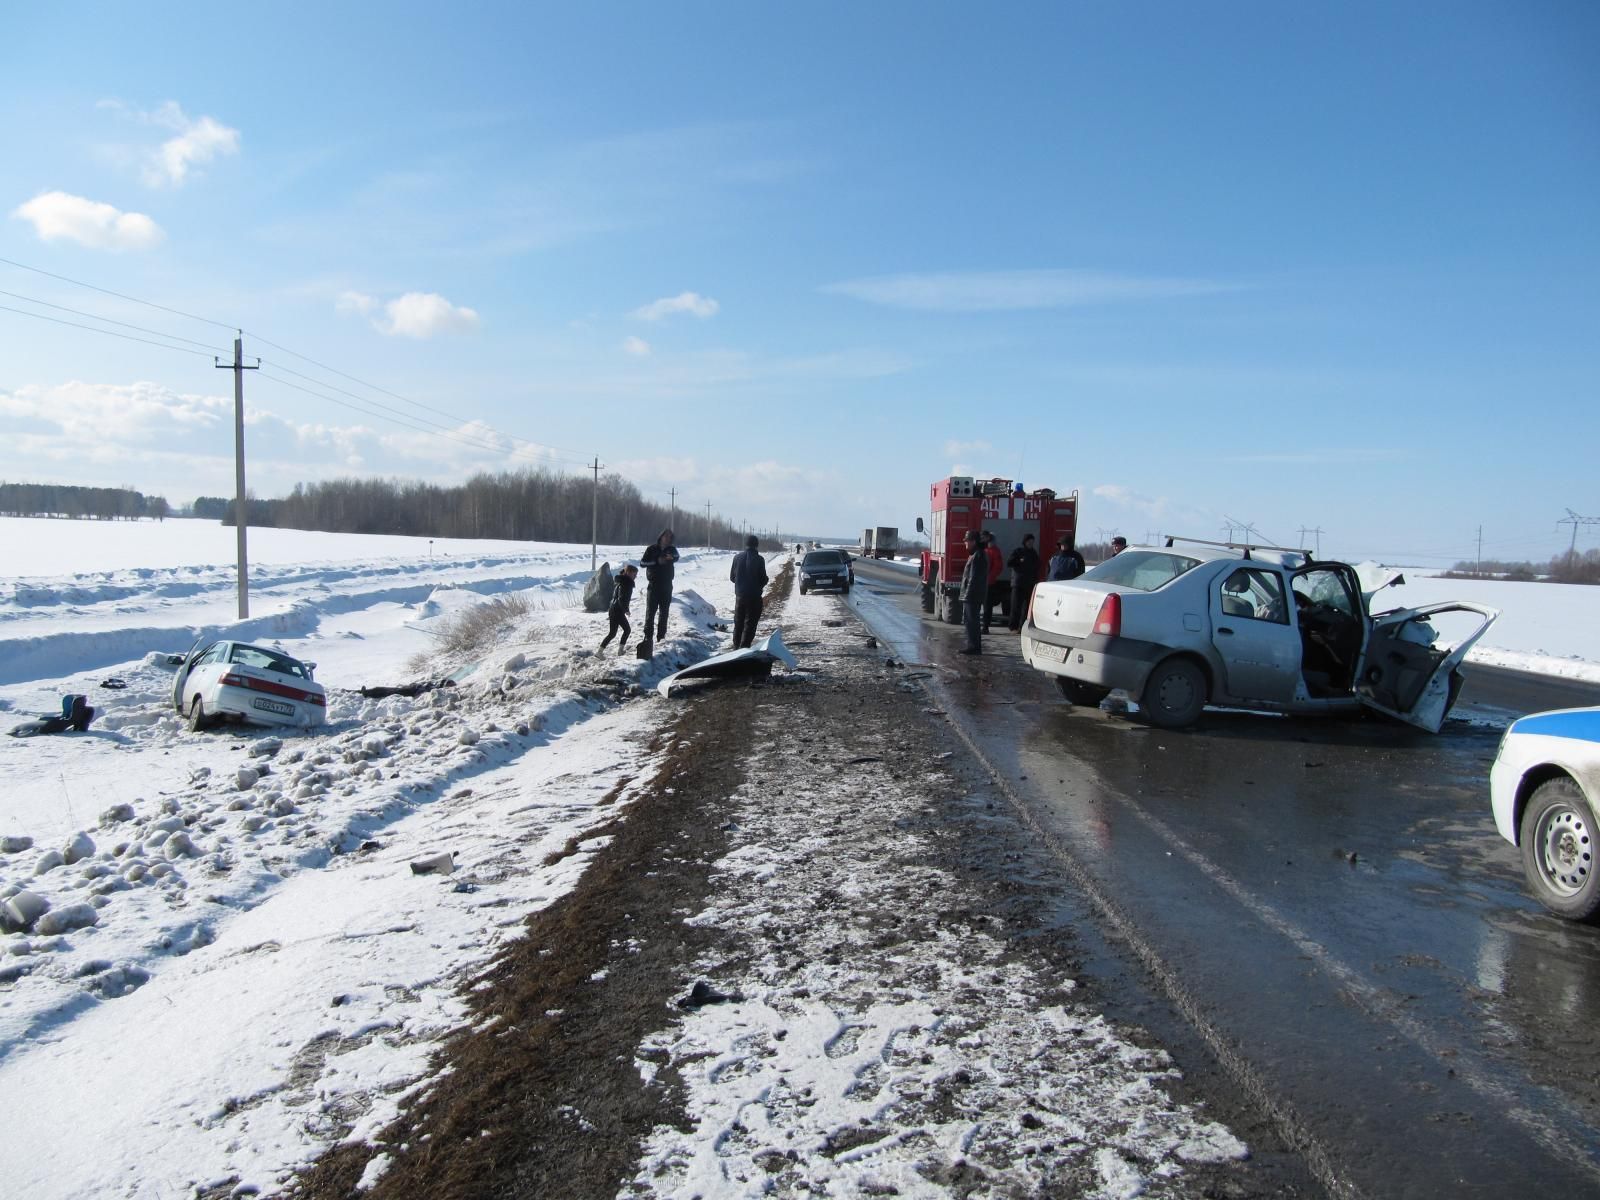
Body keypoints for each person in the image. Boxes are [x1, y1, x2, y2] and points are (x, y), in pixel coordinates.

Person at [640, 529, 680, 643]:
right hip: (654, 584)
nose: (667, 538)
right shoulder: (651, 549)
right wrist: (657, 561)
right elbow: (643, 563)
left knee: (664, 612)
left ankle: (661, 637)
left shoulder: (672, 549)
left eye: (670, 536)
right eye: (665, 536)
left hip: (667, 584)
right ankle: (648, 637)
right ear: (661, 536)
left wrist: (671, 558)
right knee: (650, 612)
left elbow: (677, 557)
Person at [729, 535, 768, 649]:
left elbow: (732, 577)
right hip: (754, 597)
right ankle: (744, 648)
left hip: (740, 597)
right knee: (750, 624)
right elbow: (762, 578)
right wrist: (763, 582)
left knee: (738, 623)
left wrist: (741, 583)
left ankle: (736, 647)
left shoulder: (737, 558)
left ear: (746, 544)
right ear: (756, 545)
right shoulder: (760, 559)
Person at [599, 564, 638, 654]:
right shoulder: (626, 583)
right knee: (627, 630)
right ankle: (620, 651)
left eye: (636, 575)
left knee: (612, 633)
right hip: (618, 610)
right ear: (628, 572)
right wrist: (626, 610)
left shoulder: (621, 581)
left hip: (613, 609)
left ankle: (599, 652)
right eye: (634, 574)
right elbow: (621, 598)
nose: (635, 577)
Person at [959, 530, 985, 654]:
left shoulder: (978, 556)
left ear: (973, 542)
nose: (965, 544)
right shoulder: (976, 554)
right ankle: (974, 645)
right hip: (974, 594)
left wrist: (967, 594)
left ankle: (973, 646)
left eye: (967, 541)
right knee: (971, 620)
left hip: (973, 595)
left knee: (971, 621)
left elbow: (973, 578)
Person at [1007, 533, 1041, 631]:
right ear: (1025, 542)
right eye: (1029, 542)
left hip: (1029, 583)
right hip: (1018, 583)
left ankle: (1022, 626)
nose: (1031, 543)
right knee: (1015, 606)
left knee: (1026, 608)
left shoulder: (1034, 553)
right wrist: (1019, 561)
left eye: (1032, 542)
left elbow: (1037, 566)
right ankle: (1013, 626)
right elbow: (1009, 563)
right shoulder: (1018, 551)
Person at [980, 531, 1005, 633]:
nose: (983, 539)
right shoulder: (982, 550)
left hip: (988, 583)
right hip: (980, 582)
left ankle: (985, 627)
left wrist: (989, 578)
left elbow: (998, 567)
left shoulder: (993, 551)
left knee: (987, 606)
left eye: (985, 537)